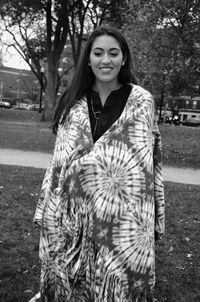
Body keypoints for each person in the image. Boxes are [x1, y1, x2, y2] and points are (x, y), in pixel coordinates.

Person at [31, 25, 165, 302]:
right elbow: (59, 160)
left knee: (115, 284)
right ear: (89, 59)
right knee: (71, 281)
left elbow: (146, 163)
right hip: (73, 214)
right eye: (99, 53)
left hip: (122, 216)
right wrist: (49, 204)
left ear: (124, 58)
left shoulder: (142, 102)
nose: (106, 60)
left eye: (113, 53)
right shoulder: (72, 101)